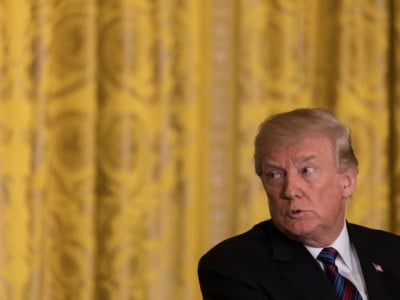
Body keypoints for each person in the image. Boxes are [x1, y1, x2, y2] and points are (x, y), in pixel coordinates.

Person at [198, 108, 400, 300]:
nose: (290, 190)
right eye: (274, 175)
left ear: (347, 182)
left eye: (306, 171)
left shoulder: (393, 252)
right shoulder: (232, 266)